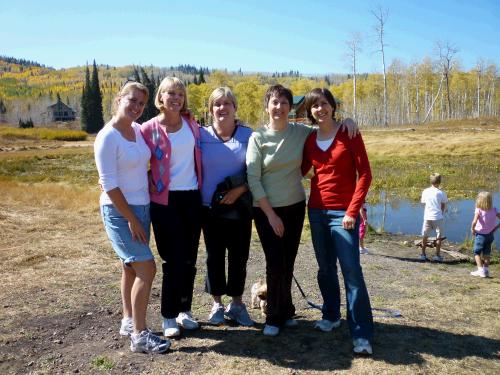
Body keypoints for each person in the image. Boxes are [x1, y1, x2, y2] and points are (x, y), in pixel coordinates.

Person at [246, 84, 357, 337]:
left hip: (295, 207)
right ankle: (273, 316)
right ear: (267, 107)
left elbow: (326, 126)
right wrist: (271, 215)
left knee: (288, 262)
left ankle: (286, 310)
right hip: (266, 210)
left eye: (284, 102)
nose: (279, 107)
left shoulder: (301, 132)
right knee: (275, 263)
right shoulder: (258, 137)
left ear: (290, 107)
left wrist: (347, 120)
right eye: (274, 102)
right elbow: (253, 180)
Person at [94, 81, 170, 354]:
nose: (137, 107)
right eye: (132, 101)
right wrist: (131, 219)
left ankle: (128, 320)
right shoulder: (107, 137)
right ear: (119, 99)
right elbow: (110, 185)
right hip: (119, 211)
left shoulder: (137, 131)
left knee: (130, 266)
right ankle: (140, 335)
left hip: (141, 206)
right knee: (146, 268)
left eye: (141, 103)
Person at [301, 87, 373, 355]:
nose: (320, 109)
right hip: (316, 211)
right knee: (325, 269)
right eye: (314, 106)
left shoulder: (349, 133)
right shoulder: (309, 140)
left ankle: (361, 332)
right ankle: (331, 315)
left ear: (332, 105)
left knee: (352, 271)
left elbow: (365, 174)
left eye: (324, 103)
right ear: (309, 111)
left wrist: (352, 211)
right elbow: (300, 169)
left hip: (343, 214)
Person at [140, 77, 203, 338]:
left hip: (192, 197)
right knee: (172, 259)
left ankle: (184, 310)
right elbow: (132, 157)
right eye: (170, 93)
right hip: (164, 202)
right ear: (160, 97)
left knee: (189, 258)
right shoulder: (147, 128)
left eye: (180, 93)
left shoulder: (192, 124)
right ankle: (168, 315)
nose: (176, 97)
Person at [200, 87, 254, 326]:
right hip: (209, 208)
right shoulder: (200, 135)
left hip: (240, 207)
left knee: (239, 256)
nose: (222, 108)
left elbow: (257, 170)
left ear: (235, 108)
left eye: (227, 103)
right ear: (211, 109)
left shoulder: (249, 135)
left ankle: (237, 303)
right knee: (214, 256)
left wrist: (239, 189)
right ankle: (217, 304)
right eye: (217, 104)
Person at [470, 191, 500, 278]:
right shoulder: (494, 210)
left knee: (476, 252)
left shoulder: (478, 210)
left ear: (479, 201)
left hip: (480, 235)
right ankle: (486, 270)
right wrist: (496, 227)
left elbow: (474, 221)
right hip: (490, 235)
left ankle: (480, 270)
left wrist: (472, 229)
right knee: (487, 253)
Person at [420, 173, 448, 262]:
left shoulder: (425, 191)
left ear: (430, 181)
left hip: (427, 216)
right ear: (439, 182)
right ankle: (437, 255)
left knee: (425, 236)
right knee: (439, 237)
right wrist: (441, 213)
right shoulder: (441, 193)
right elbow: (443, 205)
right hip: (438, 217)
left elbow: (423, 202)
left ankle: (423, 254)